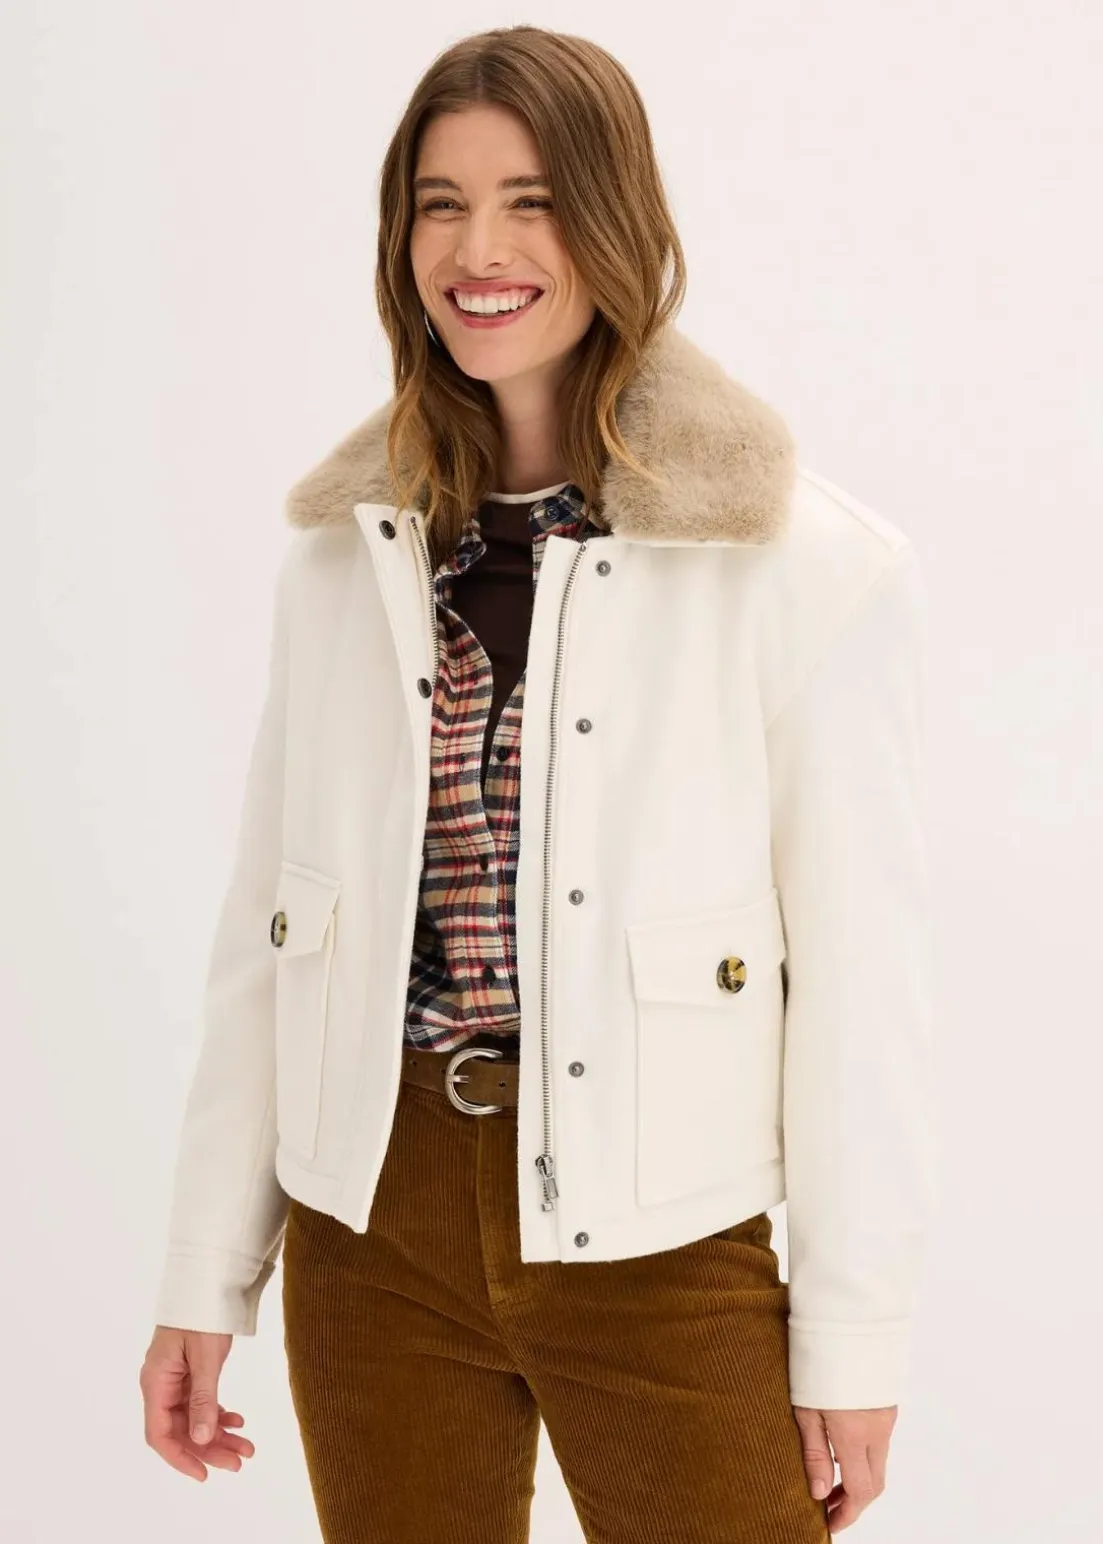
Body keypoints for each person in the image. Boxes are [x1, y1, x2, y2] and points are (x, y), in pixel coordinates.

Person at [139, 23, 936, 1542]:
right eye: (439, 204)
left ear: (616, 223)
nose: (479, 251)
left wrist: (854, 1337)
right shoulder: (345, 558)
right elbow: (267, 937)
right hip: (372, 1232)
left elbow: (865, 989)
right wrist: (204, 1274)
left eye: (533, 201)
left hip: (658, 1240)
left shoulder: (800, 565)